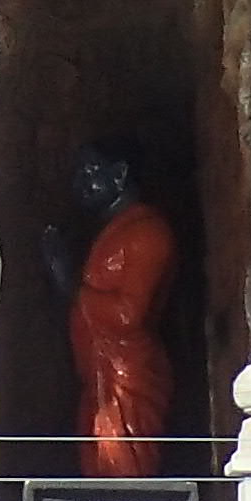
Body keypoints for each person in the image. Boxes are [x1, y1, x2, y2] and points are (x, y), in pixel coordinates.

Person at [59, 144, 177, 479]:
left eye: (90, 172)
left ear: (120, 173)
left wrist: (70, 285)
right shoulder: (113, 231)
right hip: (98, 373)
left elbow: (129, 315)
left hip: (127, 372)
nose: (81, 184)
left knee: (122, 466)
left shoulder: (146, 232)